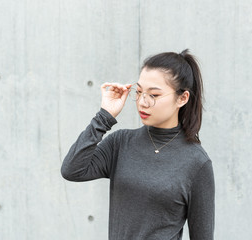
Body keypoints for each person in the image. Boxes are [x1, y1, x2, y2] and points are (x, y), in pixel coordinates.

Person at [61, 49, 215, 240]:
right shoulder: (121, 143)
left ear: (182, 98)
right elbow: (72, 170)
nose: (143, 102)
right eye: (139, 92)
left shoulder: (196, 162)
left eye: (154, 95)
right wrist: (104, 116)